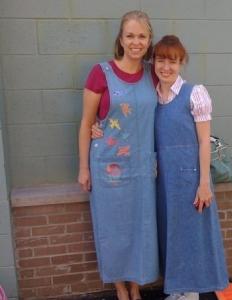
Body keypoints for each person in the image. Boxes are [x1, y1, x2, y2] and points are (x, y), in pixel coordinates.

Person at [78, 11, 159, 300]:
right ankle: (120, 287)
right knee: (113, 229)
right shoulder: (101, 73)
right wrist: (83, 169)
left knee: (142, 226)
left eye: (142, 36)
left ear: (149, 41)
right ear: (120, 39)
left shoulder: (154, 72)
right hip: (108, 167)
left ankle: (136, 284)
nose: (135, 42)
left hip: (142, 167)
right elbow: (87, 124)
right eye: (130, 35)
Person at [153, 35, 228, 300]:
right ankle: (177, 289)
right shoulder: (152, 97)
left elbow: (204, 143)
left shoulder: (194, 93)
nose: (166, 67)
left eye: (172, 61)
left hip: (191, 180)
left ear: (181, 63)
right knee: (172, 235)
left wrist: (204, 184)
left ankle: (190, 292)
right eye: (160, 60)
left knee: (192, 236)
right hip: (164, 182)